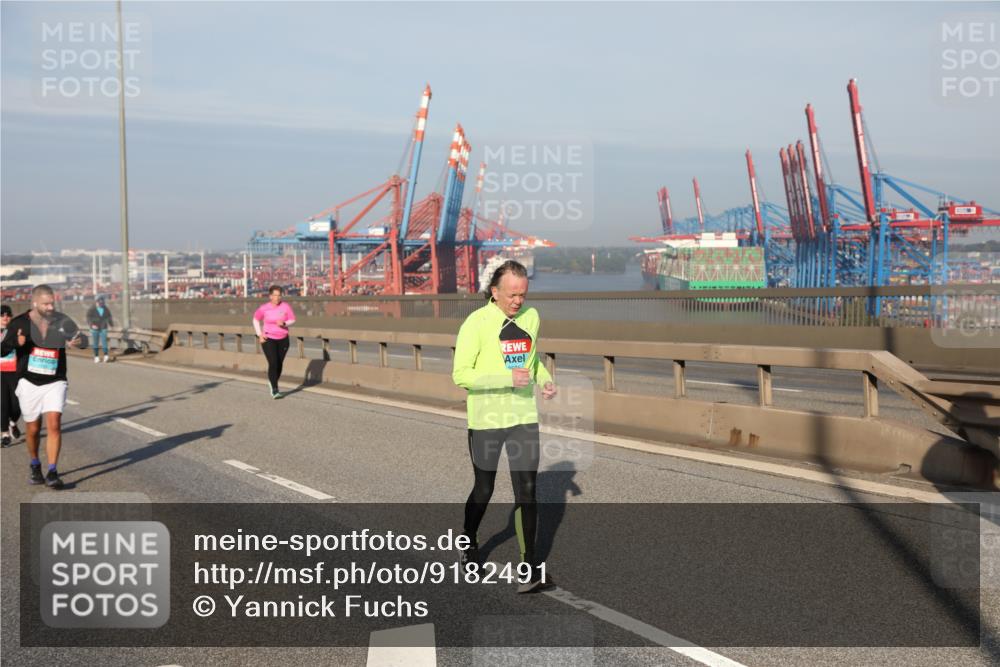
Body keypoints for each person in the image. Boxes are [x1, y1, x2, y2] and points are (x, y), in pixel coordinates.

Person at [452, 260, 558, 594]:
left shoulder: (532, 317)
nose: (518, 301)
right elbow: (461, 375)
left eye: (522, 295)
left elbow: (532, 358)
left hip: (523, 416)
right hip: (486, 419)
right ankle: (468, 541)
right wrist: (505, 378)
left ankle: (529, 568)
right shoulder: (476, 323)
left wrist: (545, 380)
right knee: (484, 489)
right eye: (512, 295)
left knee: (527, 490)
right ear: (494, 292)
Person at [1, 285, 84, 489]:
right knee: (33, 429)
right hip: (29, 382)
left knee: (54, 422)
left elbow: (81, 339)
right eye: (46, 304)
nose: (50, 307)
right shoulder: (19, 323)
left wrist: (79, 343)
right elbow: (2, 351)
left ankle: (53, 471)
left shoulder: (62, 320)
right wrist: (16, 343)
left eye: (52, 303)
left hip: (55, 379)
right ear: (35, 303)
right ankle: (35, 464)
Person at [253, 285, 296, 399]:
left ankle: (272, 381)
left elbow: (292, 319)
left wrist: (285, 324)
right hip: (268, 338)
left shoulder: (285, 307)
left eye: (279, 295)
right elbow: (255, 319)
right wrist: (259, 335)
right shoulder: (264, 308)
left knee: (279, 364)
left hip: (283, 339)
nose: (277, 298)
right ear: (270, 296)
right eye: (275, 295)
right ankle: (275, 389)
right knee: (273, 363)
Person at [1, 305, 22, 447]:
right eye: (2, 314)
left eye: (8, 314)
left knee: (17, 404)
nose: (5, 317)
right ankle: (4, 434)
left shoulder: (16, 331)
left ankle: (12, 423)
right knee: (3, 404)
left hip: (15, 371)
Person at [85, 295, 113, 363]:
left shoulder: (105, 308)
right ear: (96, 302)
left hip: (103, 327)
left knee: (104, 342)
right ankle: (96, 357)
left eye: (102, 303)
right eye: (99, 303)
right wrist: (92, 325)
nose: (101, 304)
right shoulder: (92, 309)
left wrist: (111, 324)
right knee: (96, 343)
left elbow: (109, 316)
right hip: (95, 328)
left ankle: (106, 356)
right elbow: (88, 318)